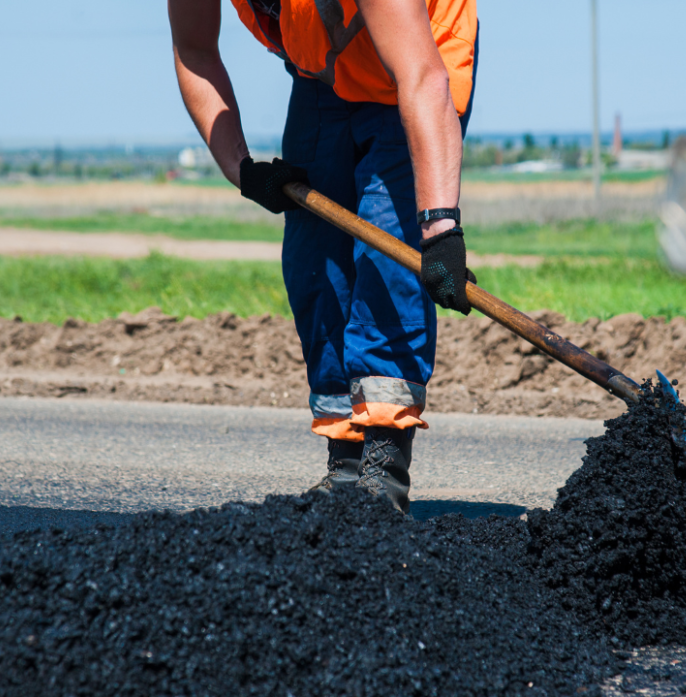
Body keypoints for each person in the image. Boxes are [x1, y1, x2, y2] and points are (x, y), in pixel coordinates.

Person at [169, 0, 478, 513]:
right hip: (323, 74)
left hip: (416, 60)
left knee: (388, 258)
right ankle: (347, 463)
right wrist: (242, 169)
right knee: (315, 263)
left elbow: (422, 76)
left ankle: (385, 468)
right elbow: (195, 50)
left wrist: (439, 227)